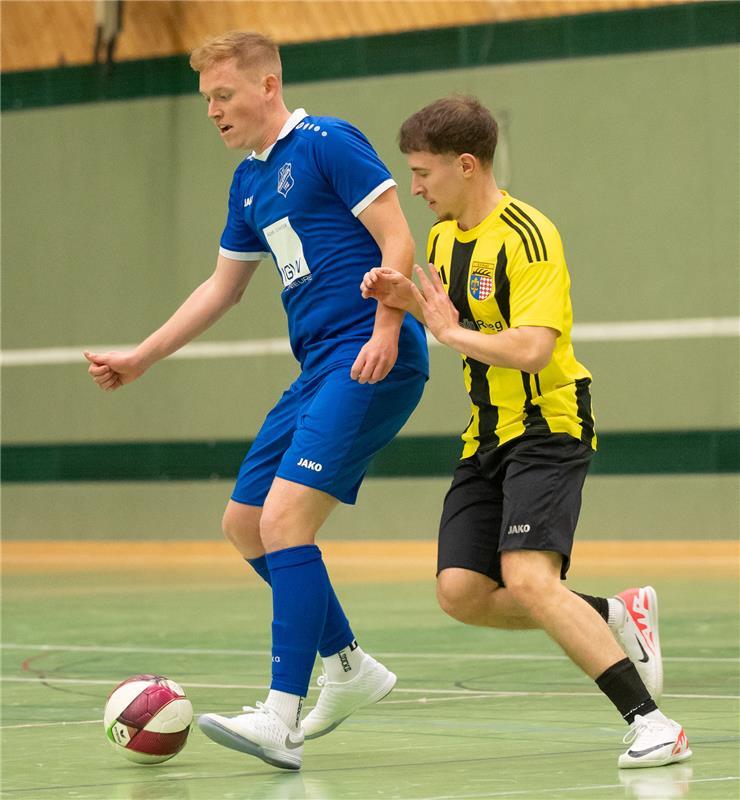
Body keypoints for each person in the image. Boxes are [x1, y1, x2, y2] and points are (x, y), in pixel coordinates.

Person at [85, 31, 428, 771]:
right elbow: (222, 287)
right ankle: (347, 666)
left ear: (268, 85)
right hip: (316, 368)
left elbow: (398, 238)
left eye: (224, 95)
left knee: (283, 519)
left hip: (367, 356)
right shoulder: (246, 183)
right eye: (206, 98)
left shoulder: (327, 142)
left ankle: (281, 716)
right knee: (245, 523)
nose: (213, 110)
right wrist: (141, 357)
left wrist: (388, 327)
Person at [361, 95, 691, 769]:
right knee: (461, 591)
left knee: (530, 577)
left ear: (466, 164)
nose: (414, 187)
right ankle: (612, 616)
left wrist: (448, 331)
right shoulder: (444, 239)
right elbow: (465, 328)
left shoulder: (528, 235)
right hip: (485, 434)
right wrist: (409, 304)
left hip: (547, 425)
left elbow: (534, 348)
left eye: (422, 173)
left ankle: (653, 723)